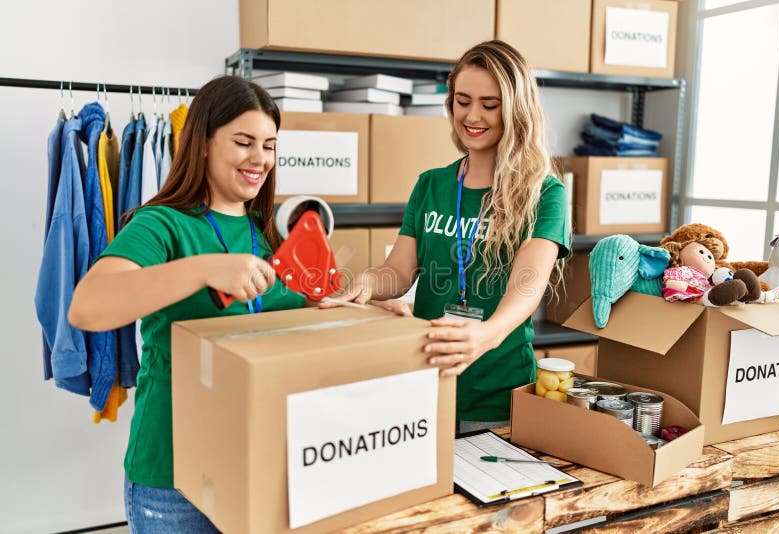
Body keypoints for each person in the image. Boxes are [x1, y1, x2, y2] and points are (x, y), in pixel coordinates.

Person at [69, 76, 304, 533]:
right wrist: (204, 269)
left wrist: (357, 310)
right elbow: (87, 306)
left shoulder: (275, 229)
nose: (260, 158)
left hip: (263, 460)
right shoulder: (161, 224)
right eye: (243, 142)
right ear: (201, 144)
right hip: (174, 475)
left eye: (270, 145)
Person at [323, 40, 571, 433]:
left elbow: (528, 283)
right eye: (462, 101)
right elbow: (399, 272)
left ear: (517, 110)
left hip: (496, 392)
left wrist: (486, 334)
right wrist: (368, 282)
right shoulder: (431, 185)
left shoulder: (546, 193)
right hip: (424, 379)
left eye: (490, 105)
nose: (472, 115)